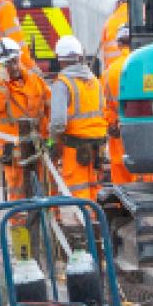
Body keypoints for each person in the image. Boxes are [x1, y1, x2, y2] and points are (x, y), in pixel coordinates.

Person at [0, 36, 48, 199]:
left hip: (37, 145)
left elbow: (48, 106)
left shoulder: (34, 81)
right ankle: (18, 223)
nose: (13, 66)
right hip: (14, 152)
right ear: (1, 66)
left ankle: (50, 221)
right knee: (17, 189)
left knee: (45, 184)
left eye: (14, 61)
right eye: (7, 63)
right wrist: (2, 83)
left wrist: (50, 138)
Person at [46, 34, 107, 200]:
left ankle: (85, 223)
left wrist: (51, 142)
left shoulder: (62, 84)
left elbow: (58, 123)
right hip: (98, 146)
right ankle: (97, 223)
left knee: (78, 191)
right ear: (80, 56)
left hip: (76, 147)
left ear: (60, 59)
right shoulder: (94, 81)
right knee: (95, 188)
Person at [101, 24, 142, 185]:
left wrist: (112, 123)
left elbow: (103, 106)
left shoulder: (109, 72)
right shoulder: (144, 65)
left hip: (118, 134)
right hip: (142, 132)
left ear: (119, 44)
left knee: (122, 179)